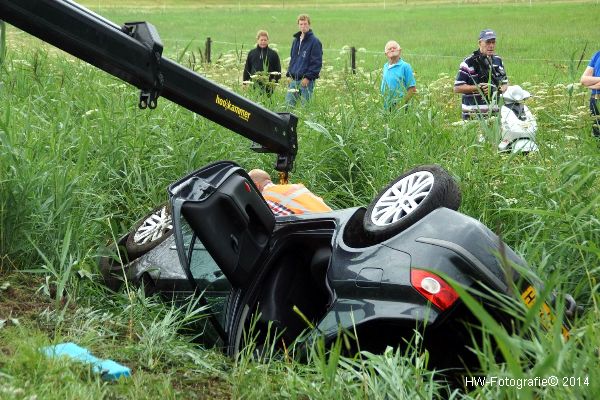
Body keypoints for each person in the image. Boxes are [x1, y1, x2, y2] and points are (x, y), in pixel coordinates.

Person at [454, 29, 508, 120]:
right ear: (480, 43)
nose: (491, 46)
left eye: (493, 42)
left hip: (494, 118)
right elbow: (457, 88)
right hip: (472, 118)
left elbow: (505, 84)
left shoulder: (498, 60)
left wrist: (496, 89)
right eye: (488, 42)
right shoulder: (468, 62)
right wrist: (479, 88)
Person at [248, 169, 332, 216]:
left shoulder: (266, 198)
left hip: (319, 229)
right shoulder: (295, 187)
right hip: (334, 220)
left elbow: (283, 222)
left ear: (256, 185)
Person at [285, 14, 323, 106]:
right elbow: (293, 59)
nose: (303, 26)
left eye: (305, 24)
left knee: (305, 108)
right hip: (294, 80)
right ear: (298, 25)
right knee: (288, 106)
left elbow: (316, 63)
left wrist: (308, 77)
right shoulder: (296, 41)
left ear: (309, 25)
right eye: (301, 24)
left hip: (306, 81)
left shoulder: (315, 42)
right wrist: (289, 75)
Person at [243, 30, 281, 96]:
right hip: (254, 84)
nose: (263, 42)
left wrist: (274, 83)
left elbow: (278, 70)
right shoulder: (252, 53)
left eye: (265, 40)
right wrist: (244, 82)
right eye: (261, 40)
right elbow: (247, 69)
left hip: (268, 85)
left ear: (268, 40)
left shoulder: (273, 54)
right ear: (257, 40)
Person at [380, 40, 416, 110]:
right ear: (386, 53)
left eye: (394, 48)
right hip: (386, 105)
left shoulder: (405, 66)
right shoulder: (385, 66)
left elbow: (412, 89)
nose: (392, 49)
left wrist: (401, 104)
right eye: (389, 49)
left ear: (400, 50)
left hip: (400, 106)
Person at [580, 49, 600, 138]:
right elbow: (584, 80)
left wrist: (593, 82)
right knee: (597, 135)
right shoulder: (597, 55)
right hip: (594, 100)